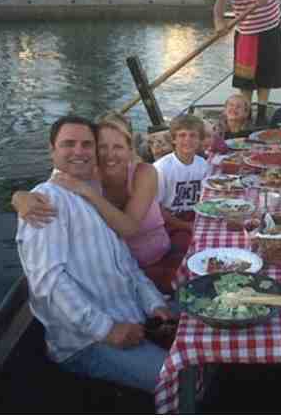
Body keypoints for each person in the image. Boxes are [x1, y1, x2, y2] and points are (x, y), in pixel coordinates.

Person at [15, 115, 173, 393]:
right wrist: (107, 330)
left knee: (207, 331)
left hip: (133, 315)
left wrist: (154, 304)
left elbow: (126, 264)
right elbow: (49, 282)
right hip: (87, 343)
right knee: (181, 381)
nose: (79, 151)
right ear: (52, 150)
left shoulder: (92, 193)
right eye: (68, 144)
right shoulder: (44, 202)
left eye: (87, 144)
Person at [11, 112, 181, 294]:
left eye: (118, 147)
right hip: (115, 271)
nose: (110, 155)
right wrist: (19, 197)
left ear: (129, 149)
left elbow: (129, 228)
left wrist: (87, 192)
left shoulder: (144, 173)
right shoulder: (85, 174)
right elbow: (54, 182)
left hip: (157, 258)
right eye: (102, 147)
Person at [153, 114, 211, 251]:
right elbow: (156, 208)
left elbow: (206, 198)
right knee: (183, 245)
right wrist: (186, 225)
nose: (188, 140)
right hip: (171, 219)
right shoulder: (161, 168)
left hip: (196, 214)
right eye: (182, 135)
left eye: (193, 135)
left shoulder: (203, 164)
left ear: (200, 140)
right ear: (173, 139)